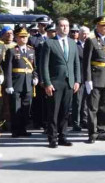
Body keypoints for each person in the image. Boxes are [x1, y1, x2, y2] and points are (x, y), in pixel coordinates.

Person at [40, 17, 81, 148]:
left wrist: (77, 80)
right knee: (53, 112)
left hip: (69, 83)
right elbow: (43, 65)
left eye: (67, 26)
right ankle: (52, 138)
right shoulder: (49, 43)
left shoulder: (73, 43)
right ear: (57, 28)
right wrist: (47, 83)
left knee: (65, 112)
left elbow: (76, 64)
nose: (65, 28)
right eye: (62, 26)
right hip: (55, 83)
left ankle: (63, 136)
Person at [82, 16, 105, 143]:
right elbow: (86, 62)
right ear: (97, 26)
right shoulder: (91, 41)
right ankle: (92, 133)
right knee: (93, 107)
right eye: (103, 25)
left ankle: (103, 131)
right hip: (95, 78)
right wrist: (87, 79)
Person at [4, 26, 37, 137]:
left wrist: (35, 77)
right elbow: (8, 68)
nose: (23, 39)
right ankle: (15, 130)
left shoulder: (31, 50)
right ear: (16, 38)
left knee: (26, 108)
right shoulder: (12, 51)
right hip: (16, 83)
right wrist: (8, 84)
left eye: (25, 37)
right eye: (21, 37)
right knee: (15, 107)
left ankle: (23, 129)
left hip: (28, 83)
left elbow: (34, 67)